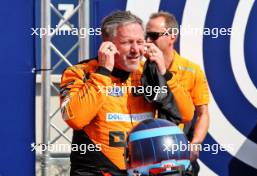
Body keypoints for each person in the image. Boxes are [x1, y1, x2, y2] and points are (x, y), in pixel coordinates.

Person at [59, 11, 194, 176]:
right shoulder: (79, 73)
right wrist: (102, 73)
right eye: (127, 42)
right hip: (98, 171)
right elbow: (75, 119)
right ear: (108, 46)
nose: (136, 50)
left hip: (144, 170)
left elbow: (186, 115)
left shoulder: (148, 71)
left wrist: (165, 75)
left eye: (140, 42)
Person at [146, 11, 210, 175]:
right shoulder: (138, 68)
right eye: (146, 35)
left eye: (153, 36)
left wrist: (195, 145)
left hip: (177, 153)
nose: (147, 41)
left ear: (172, 37)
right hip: (145, 153)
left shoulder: (192, 70)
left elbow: (203, 113)